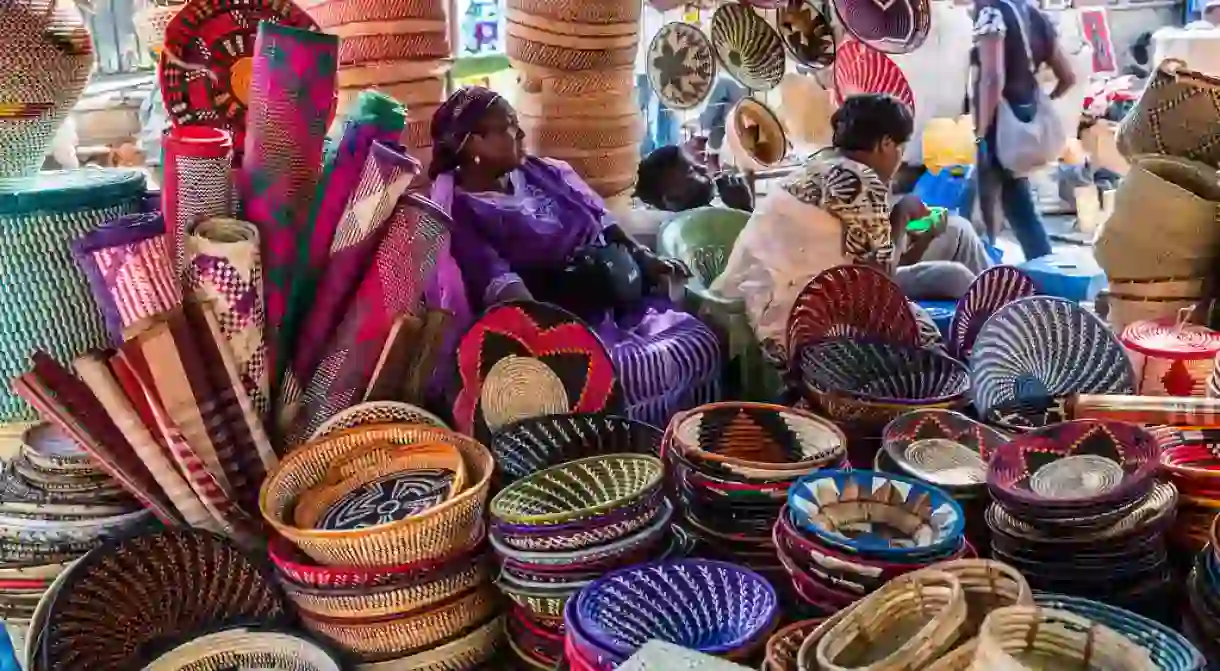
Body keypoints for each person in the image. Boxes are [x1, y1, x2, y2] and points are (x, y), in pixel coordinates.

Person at [424, 86, 721, 427]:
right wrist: (557, 342)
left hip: (615, 302)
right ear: (473, 143)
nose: (520, 132)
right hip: (560, 323)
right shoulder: (462, 214)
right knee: (621, 374)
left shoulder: (542, 172)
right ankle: (633, 450)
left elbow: (601, 218)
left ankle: (688, 437)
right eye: (507, 126)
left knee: (699, 341)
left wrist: (642, 257)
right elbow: (506, 288)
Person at [710, 94, 994, 351]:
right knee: (925, 334)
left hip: (766, 294)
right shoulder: (858, 179)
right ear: (885, 144)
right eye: (900, 148)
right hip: (792, 316)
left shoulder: (817, 165)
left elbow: (878, 269)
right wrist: (902, 214)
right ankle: (990, 346)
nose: (900, 158)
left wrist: (924, 238)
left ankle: (996, 320)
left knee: (952, 275)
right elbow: (879, 281)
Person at [971, 0, 1076, 260]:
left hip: (998, 121)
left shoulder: (990, 13)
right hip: (1024, 114)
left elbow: (993, 78)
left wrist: (980, 132)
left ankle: (985, 272)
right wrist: (1038, 104)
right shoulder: (1034, 15)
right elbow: (1068, 77)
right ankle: (1045, 267)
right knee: (1018, 202)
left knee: (983, 204)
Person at [634, 144, 756, 213]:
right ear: (672, 199)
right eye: (690, 172)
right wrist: (744, 208)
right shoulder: (699, 236)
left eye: (695, 164)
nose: (703, 169)